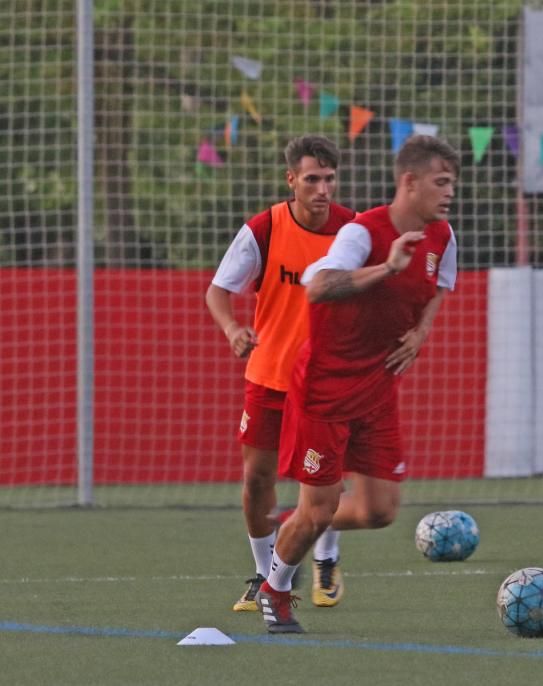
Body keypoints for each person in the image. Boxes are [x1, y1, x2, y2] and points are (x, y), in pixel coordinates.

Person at [256, 135, 460, 633]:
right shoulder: (361, 232)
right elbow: (319, 285)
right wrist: (386, 268)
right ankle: (274, 589)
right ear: (409, 182)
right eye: (442, 182)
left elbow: (440, 286)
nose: (450, 192)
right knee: (322, 509)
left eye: (452, 182)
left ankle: (293, 524)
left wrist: (422, 330)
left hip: (378, 388)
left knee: (378, 511)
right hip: (325, 388)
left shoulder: (443, 235)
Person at [206, 135, 355, 612]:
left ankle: (326, 560)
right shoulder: (264, 228)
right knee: (257, 481)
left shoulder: (353, 231)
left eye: (329, 179)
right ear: (291, 180)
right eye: (312, 178)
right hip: (269, 375)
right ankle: (263, 572)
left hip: (327, 381)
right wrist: (232, 328)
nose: (322, 188)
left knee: (323, 483)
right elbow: (217, 291)